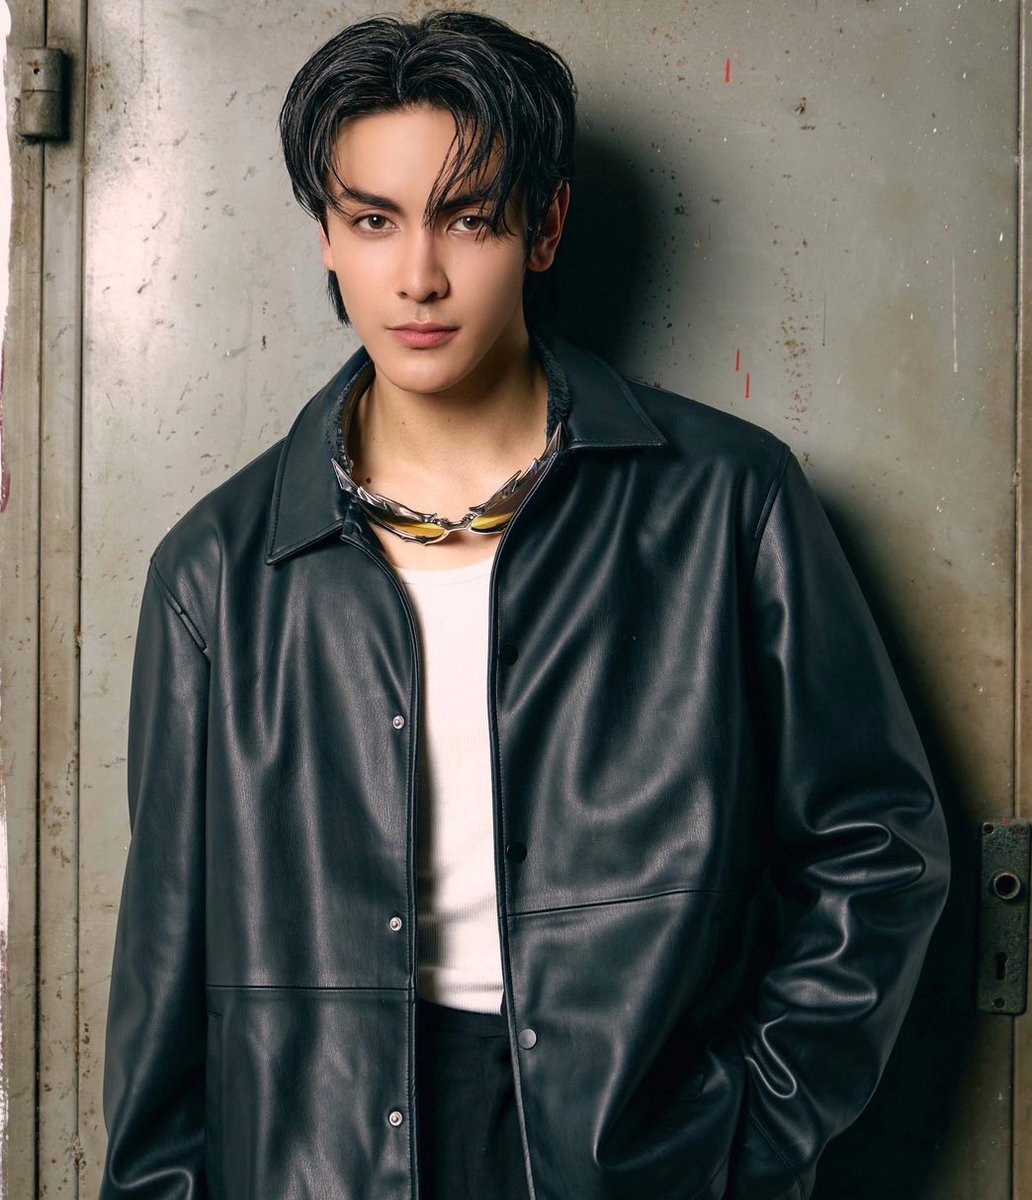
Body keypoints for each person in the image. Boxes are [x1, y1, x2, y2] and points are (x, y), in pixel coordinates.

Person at [99, 10, 951, 1200]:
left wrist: (746, 1142)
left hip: (632, 1151)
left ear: (544, 228)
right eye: (374, 221)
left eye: (470, 218)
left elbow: (875, 847)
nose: (419, 276)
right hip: (320, 1158)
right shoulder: (220, 572)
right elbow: (166, 964)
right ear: (327, 237)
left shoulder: (726, 504)